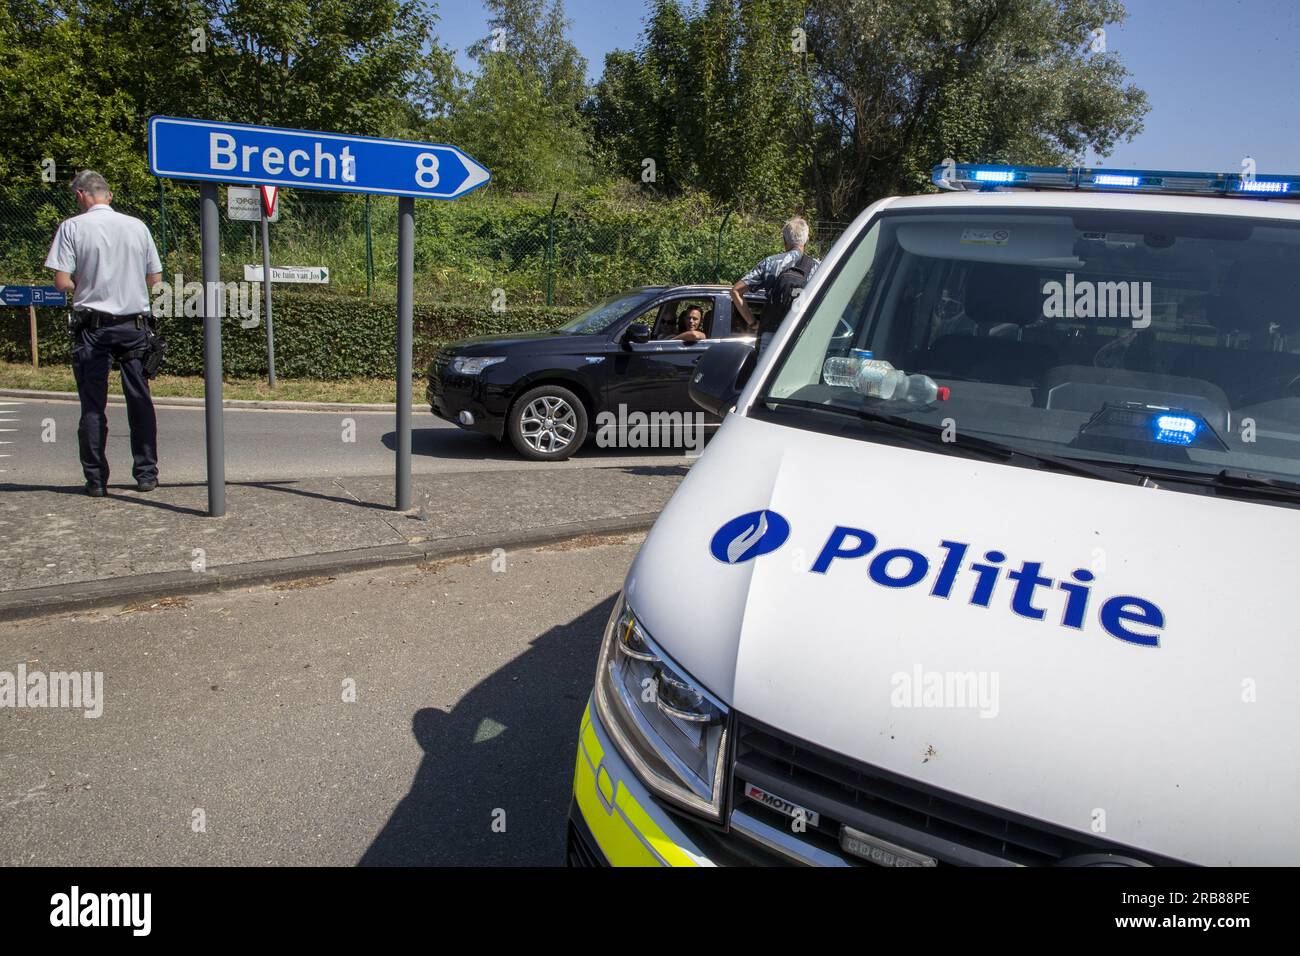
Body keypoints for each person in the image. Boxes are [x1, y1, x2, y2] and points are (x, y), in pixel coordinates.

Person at [45, 171, 162, 496]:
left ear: (81, 195)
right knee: (139, 400)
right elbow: (155, 278)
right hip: (134, 327)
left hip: (92, 329)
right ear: (108, 196)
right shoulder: (137, 226)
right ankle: (146, 475)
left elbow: (61, 281)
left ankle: (96, 481)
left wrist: (85, 285)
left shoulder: (72, 227)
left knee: (93, 406)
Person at [731, 217, 820, 355]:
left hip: (771, 335)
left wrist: (753, 323)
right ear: (807, 241)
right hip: (801, 335)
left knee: (765, 376)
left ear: (784, 241)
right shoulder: (817, 267)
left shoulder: (770, 263)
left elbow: (735, 291)